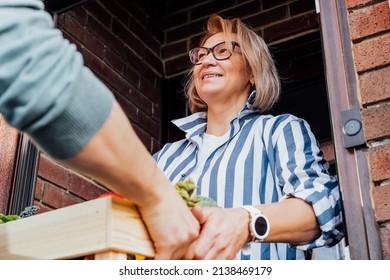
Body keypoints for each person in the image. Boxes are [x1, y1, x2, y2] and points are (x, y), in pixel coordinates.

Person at [0, 0, 199, 259]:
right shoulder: (168, 155)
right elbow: (25, 57)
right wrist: (159, 197)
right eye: (200, 54)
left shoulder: (268, 131)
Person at [153, 14, 345, 260]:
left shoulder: (280, 131)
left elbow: (326, 209)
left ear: (253, 72)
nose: (207, 61)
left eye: (223, 51)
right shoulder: (165, 157)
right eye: (201, 55)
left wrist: (246, 221)